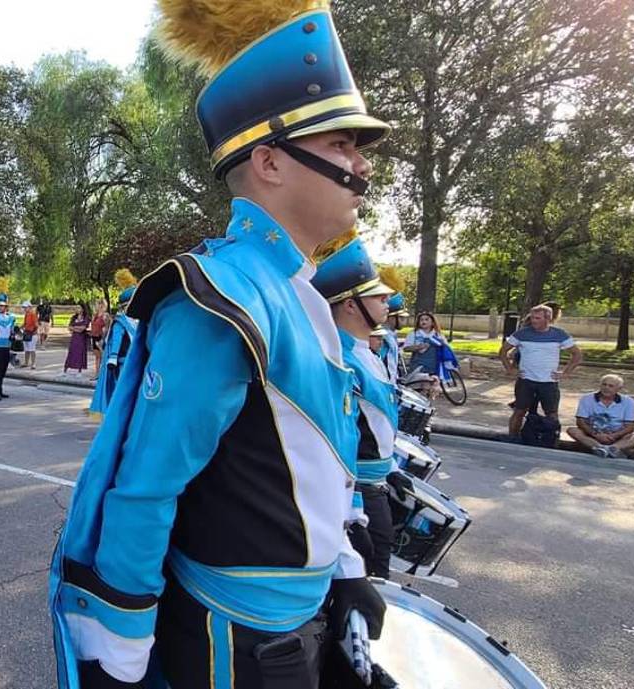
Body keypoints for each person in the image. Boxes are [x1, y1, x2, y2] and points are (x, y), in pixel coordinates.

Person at [49, 3, 388, 687]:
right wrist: (121, 654)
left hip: (301, 619)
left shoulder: (299, 292)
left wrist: (346, 572)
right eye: (341, 145)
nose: (362, 166)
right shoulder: (222, 296)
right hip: (236, 642)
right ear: (269, 161)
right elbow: (146, 490)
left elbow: (322, 462)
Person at [313, 234, 398, 579]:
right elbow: (336, 439)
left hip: (375, 482)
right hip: (358, 492)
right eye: (377, 295)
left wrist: (393, 469)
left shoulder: (365, 353)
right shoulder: (340, 360)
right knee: (370, 581)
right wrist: (353, 510)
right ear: (350, 304)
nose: (387, 299)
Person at [501, 304, 583, 441]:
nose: (533, 321)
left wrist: (566, 372)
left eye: (537, 318)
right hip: (526, 380)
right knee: (519, 411)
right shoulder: (522, 333)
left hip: (549, 382)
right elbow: (503, 351)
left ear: (548, 319)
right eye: (532, 317)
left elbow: (576, 354)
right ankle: (512, 437)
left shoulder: (559, 334)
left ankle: (551, 439)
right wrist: (510, 369)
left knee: (551, 413)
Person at [88, 269, 139, 416]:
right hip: (122, 364)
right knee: (124, 393)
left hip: (136, 362)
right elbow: (116, 340)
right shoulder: (120, 322)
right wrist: (113, 357)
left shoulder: (139, 322)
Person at [567, 374, 634, 458]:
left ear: (618, 389)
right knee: (573, 430)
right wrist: (596, 435)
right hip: (592, 435)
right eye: (604, 384)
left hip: (617, 436)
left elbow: (630, 426)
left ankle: (613, 448)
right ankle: (600, 448)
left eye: (610, 386)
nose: (606, 388)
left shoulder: (629, 402)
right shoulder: (586, 398)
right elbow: (580, 421)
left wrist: (613, 436)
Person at [402, 312, 448, 399]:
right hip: (418, 365)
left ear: (433, 322)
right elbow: (406, 348)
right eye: (421, 320)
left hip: (433, 365)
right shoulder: (414, 334)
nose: (424, 322)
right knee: (420, 387)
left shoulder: (437, 335)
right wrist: (418, 347)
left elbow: (446, 347)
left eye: (427, 319)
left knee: (431, 387)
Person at [64, 303, 89, 375]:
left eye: (79, 308)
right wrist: (77, 328)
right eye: (76, 308)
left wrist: (74, 328)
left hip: (81, 338)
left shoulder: (86, 318)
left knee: (80, 353)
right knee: (71, 352)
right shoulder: (74, 317)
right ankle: (66, 369)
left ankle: (79, 370)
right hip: (74, 338)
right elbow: (69, 327)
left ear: (82, 309)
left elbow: (83, 328)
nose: (77, 309)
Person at [88, 299, 108, 381]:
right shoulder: (95, 315)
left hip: (100, 338)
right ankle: (97, 374)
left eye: (101, 304)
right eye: (99, 304)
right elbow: (92, 326)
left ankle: (104, 374)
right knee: (97, 357)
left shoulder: (105, 315)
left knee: (103, 356)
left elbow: (106, 328)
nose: (99, 306)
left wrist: (103, 339)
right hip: (94, 337)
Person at [20, 300, 39, 369]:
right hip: (27, 333)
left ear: (29, 307)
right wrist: (19, 328)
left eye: (25, 307)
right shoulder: (26, 315)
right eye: (24, 307)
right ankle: (26, 362)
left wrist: (34, 331)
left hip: (32, 334)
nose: (24, 309)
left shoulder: (33, 314)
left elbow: (36, 325)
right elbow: (25, 323)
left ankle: (33, 363)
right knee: (27, 349)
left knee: (32, 349)